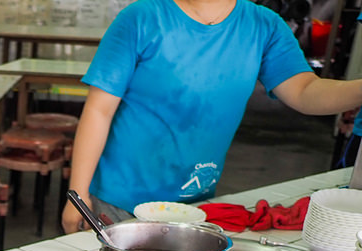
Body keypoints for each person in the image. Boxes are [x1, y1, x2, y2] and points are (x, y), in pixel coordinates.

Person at [61, 0, 362, 233]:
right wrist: (78, 195)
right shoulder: (142, 18)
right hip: (118, 201)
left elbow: (305, 91)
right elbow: (99, 111)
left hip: (194, 205)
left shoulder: (264, 27)